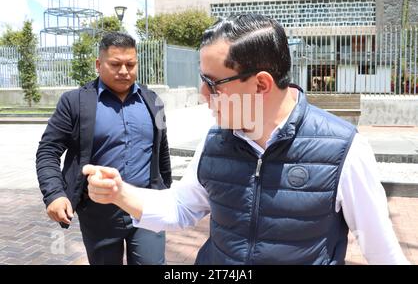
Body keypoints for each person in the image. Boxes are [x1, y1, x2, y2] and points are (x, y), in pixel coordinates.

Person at [83, 14, 409, 265]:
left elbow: (381, 249)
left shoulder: (343, 149)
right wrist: (120, 192)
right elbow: (182, 206)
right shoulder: (216, 140)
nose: (203, 94)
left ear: (261, 85)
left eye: (213, 83)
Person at [36, 32, 171, 265]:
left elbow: (162, 150)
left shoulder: (153, 101)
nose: (124, 71)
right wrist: (54, 195)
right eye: (115, 64)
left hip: (146, 207)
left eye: (130, 64)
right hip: (99, 214)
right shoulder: (75, 102)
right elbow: (48, 151)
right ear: (99, 65)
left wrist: (167, 191)